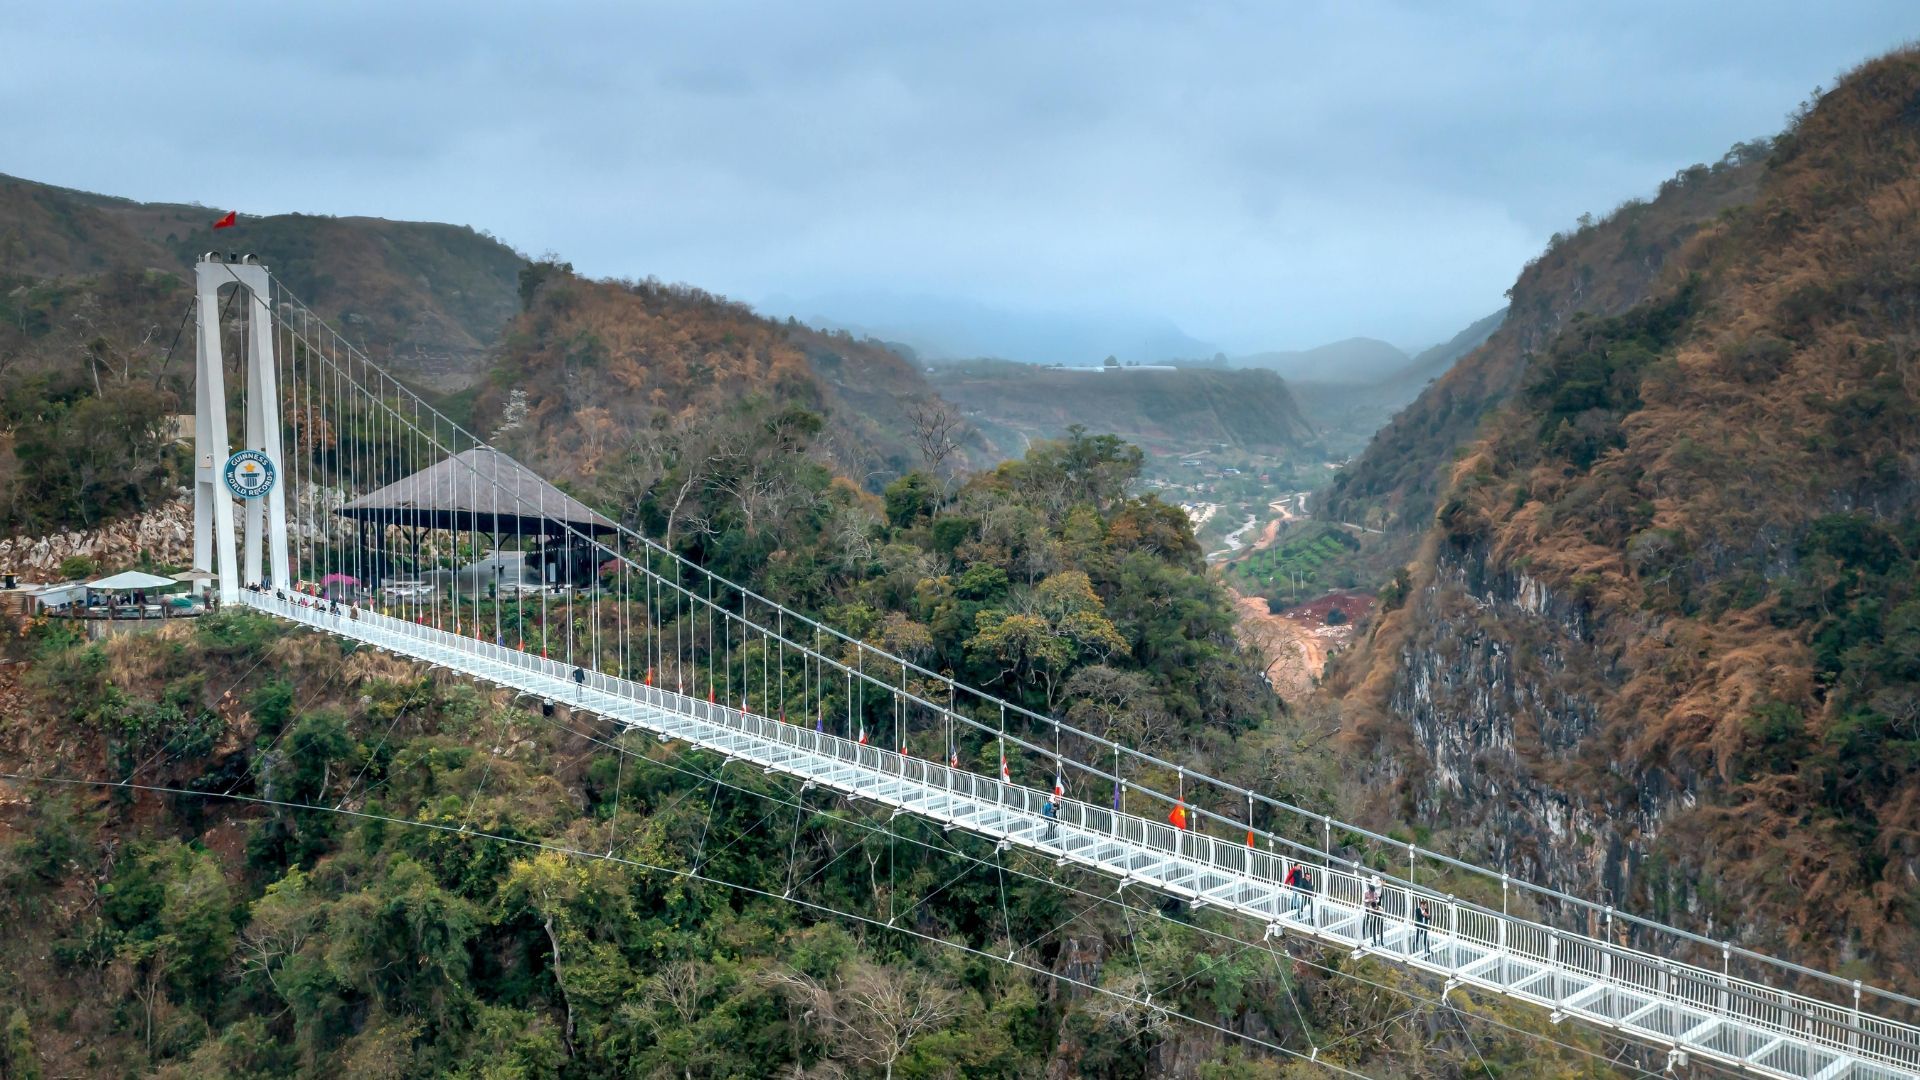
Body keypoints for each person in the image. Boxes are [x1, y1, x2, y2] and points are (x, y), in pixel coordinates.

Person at [1362, 875, 1385, 947]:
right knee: (1366, 919)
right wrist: (1368, 900)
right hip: (1368, 907)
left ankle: (1378, 941)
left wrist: (1375, 900)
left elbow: (1377, 899)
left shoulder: (1375, 894)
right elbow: (1363, 900)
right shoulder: (1366, 893)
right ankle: (1364, 932)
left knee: (1374, 925)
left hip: (1373, 908)